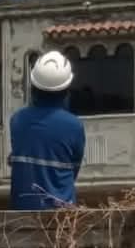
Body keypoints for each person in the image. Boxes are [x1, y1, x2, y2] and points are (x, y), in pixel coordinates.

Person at [8, 50, 85, 210]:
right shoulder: (74, 126)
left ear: (33, 88)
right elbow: (73, 171)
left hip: (21, 213)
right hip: (62, 215)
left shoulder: (17, 121)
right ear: (66, 91)